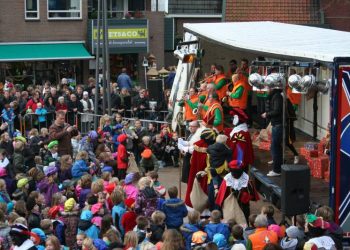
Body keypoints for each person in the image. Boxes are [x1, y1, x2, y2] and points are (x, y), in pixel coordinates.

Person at [262, 87, 283, 177]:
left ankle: (277, 169)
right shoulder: (276, 96)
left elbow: (277, 111)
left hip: (278, 124)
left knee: (275, 147)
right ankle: (278, 164)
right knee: (275, 146)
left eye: (268, 88)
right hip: (276, 124)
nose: (266, 90)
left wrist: (267, 114)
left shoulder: (277, 96)